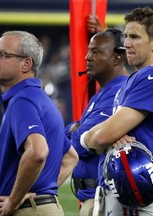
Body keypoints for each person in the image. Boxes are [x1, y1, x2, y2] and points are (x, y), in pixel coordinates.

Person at [80, 6, 153, 216]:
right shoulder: (136, 78)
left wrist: (89, 138)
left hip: (135, 197)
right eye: (126, 36)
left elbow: (103, 136)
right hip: (122, 192)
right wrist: (95, 136)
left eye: (135, 37)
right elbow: (103, 134)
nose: (126, 43)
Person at [0, 30, 78, 216]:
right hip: (40, 208)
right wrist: (40, 193)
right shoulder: (40, 100)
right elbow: (70, 158)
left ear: (26, 64)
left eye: (3, 54)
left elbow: (37, 152)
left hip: (28, 211)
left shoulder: (23, 100)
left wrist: (14, 201)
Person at [65, 28, 128, 216]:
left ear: (117, 58)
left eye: (96, 52)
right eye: (88, 51)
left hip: (100, 198)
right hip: (91, 196)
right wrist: (74, 129)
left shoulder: (118, 93)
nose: (87, 57)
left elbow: (79, 146)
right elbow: (72, 132)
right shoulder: (102, 93)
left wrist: (75, 131)